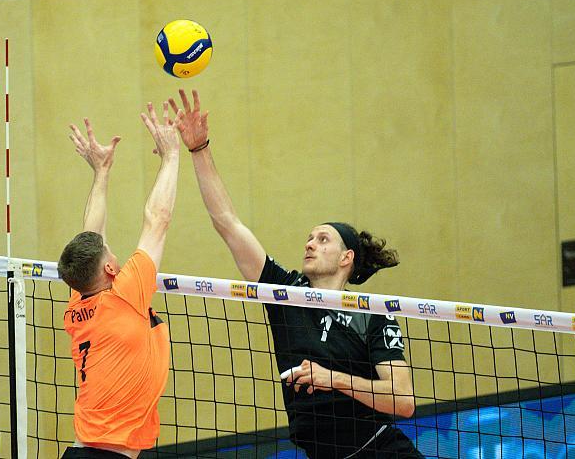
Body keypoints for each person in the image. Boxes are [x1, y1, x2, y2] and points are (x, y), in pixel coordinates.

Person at [168, 89, 424, 458]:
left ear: (346, 258)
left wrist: (331, 379)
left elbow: (403, 400)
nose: (310, 244)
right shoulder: (284, 292)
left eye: (323, 239)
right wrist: (199, 148)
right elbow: (227, 223)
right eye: (309, 238)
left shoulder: (372, 314)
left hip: (380, 451)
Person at [57, 102, 183, 459]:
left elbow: (89, 237)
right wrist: (172, 155)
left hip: (85, 451)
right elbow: (157, 218)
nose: (115, 253)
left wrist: (101, 171)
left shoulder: (78, 303)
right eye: (111, 252)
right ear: (111, 270)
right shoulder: (125, 295)